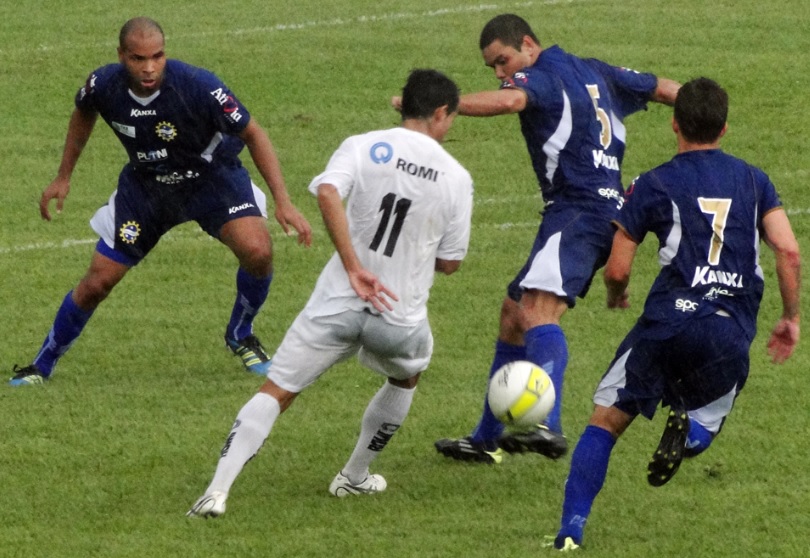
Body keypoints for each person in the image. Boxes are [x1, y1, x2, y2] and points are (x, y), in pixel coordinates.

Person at [187, 68, 474, 517]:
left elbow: (326, 191)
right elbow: (451, 263)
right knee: (407, 376)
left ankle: (216, 491)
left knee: (278, 390)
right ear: (441, 113)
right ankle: (354, 476)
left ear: (403, 104)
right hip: (398, 317)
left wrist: (355, 267)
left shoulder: (363, 145)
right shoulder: (456, 177)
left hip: (337, 303)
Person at [414, 13, 681, 464]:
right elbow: (665, 89)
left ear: (528, 44)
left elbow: (510, 101)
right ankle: (485, 440)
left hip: (579, 212)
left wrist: (436, 110)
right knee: (513, 313)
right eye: (492, 68)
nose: (500, 74)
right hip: (593, 211)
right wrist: (704, 117)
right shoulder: (596, 70)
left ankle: (547, 424)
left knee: (538, 311)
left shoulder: (539, 76)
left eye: (503, 61)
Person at [550, 77, 801, 551]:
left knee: (605, 422)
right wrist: (791, 317)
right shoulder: (755, 180)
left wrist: (616, 294)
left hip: (667, 322)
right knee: (710, 411)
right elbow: (788, 252)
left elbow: (618, 268)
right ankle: (688, 435)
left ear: (674, 124)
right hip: (727, 330)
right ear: (724, 128)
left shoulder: (653, 183)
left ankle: (570, 531)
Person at [8, 17, 312, 386]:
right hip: (147, 189)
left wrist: (283, 201)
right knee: (98, 282)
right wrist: (63, 176)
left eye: (157, 56)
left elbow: (253, 133)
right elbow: (83, 113)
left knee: (258, 251)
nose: (149, 68)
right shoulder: (102, 85)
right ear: (121, 56)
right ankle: (41, 366)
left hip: (211, 179)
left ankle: (240, 334)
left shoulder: (199, 86)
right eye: (138, 58)